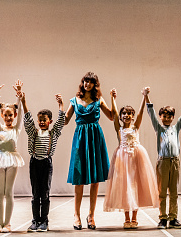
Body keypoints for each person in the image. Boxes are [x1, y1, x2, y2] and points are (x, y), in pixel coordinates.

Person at [64, 72, 114, 230]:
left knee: (95, 179)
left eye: (91, 82)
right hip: (80, 140)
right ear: (82, 82)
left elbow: (112, 117)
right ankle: (76, 215)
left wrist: (113, 98)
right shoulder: (75, 100)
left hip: (94, 139)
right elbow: (65, 120)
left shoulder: (99, 100)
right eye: (86, 81)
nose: (87, 84)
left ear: (94, 84)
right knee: (79, 179)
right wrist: (59, 107)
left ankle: (91, 215)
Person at [103, 87, 159, 229]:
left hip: (136, 159)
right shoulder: (119, 128)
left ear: (132, 117)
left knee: (135, 187)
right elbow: (114, 114)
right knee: (125, 188)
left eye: (129, 113)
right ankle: (127, 218)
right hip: (122, 160)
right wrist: (113, 99)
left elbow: (141, 113)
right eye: (125, 113)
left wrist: (144, 97)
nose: (127, 115)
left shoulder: (135, 127)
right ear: (121, 116)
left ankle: (134, 218)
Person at [18, 90, 66, 232]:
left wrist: (61, 105)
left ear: (50, 121)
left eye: (45, 120)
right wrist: (24, 102)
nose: (42, 122)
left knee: (45, 193)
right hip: (34, 163)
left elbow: (61, 121)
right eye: (40, 120)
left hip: (46, 163)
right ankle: (35, 220)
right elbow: (28, 119)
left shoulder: (53, 133)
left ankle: (44, 220)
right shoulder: (33, 132)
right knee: (35, 194)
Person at [144, 87, 181, 229]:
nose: (167, 118)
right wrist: (146, 97)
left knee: (174, 192)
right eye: (164, 116)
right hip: (163, 162)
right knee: (162, 191)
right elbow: (151, 113)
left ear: (172, 117)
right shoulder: (158, 128)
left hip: (175, 162)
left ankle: (173, 218)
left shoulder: (175, 128)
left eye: (169, 116)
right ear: (161, 117)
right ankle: (163, 218)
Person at [0, 79, 25, 233]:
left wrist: (19, 97)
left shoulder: (16, 129)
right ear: (2, 115)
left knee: (9, 192)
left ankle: (7, 223)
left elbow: (21, 113)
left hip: (13, 160)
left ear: (14, 116)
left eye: (11, 115)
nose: (9, 118)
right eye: (6, 115)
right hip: (0, 158)